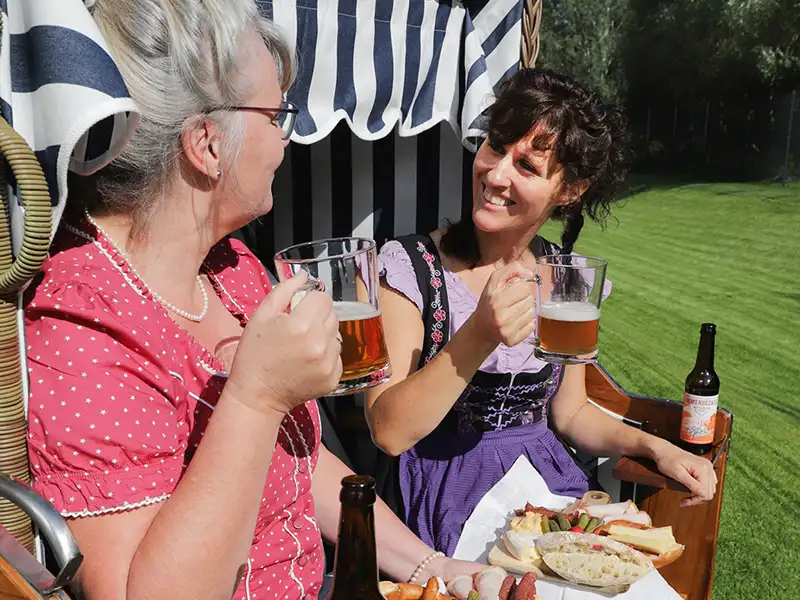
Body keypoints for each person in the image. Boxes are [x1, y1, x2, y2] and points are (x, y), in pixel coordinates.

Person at [24, 2, 481, 598]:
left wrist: (430, 567)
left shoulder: (229, 266)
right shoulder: (82, 326)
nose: (286, 137)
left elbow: (298, 456)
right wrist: (256, 397)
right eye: (275, 115)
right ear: (207, 144)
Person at [364, 69, 718, 556]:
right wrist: (479, 333)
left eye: (527, 166)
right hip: (443, 491)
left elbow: (569, 413)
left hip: (542, 483)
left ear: (569, 191)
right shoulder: (412, 269)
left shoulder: (565, 276)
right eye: (496, 145)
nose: (495, 173)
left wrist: (655, 446)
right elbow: (388, 431)